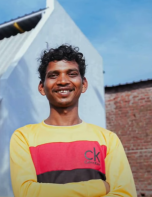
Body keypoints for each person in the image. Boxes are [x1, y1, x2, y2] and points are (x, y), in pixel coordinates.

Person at [10, 44, 137, 197]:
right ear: (42, 87)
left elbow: (125, 194)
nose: (63, 81)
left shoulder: (108, 140)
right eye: (53, 75)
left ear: (83, 84)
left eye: (71, 74)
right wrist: (97, 187)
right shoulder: (23, 137)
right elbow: (26, 193)